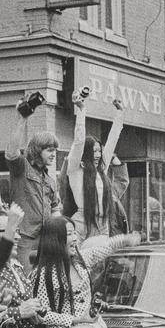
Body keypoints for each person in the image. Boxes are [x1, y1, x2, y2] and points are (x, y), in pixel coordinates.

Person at [5, 107, 62, 269]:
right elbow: (11, 153)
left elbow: (55, 209)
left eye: (55, 151)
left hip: (45, 240)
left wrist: (62, 231)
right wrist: (22, 119)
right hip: (24, 238)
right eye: (50, 150)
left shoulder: (50, 180)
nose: (53, 154)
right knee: (28, 280)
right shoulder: (21, 169)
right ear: (38, 150)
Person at [63, 94, 125, 240]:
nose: (97, 155)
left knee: (101, 261)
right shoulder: (75, 169)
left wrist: (120, 113)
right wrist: (81, 110)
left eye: (99, 151)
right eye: (93, 151)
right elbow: (78, 141)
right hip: (82, 222)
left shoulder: (101, 170)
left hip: (103, 224)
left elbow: (113, 140)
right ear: (85, 153)